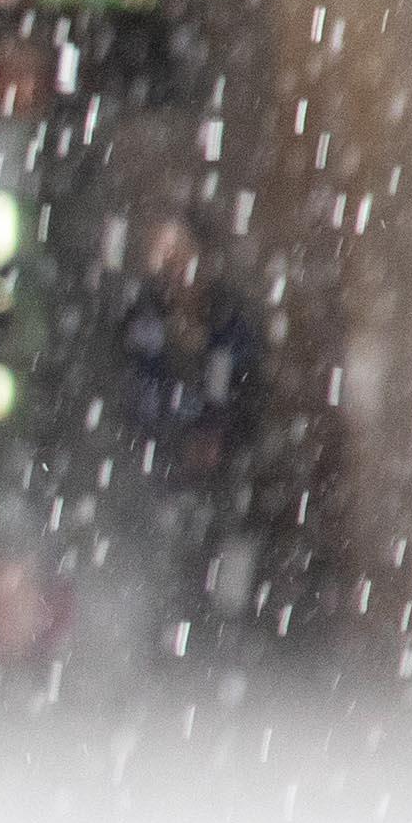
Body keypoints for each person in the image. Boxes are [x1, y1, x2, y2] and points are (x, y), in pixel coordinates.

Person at [105, 209, 273, 655]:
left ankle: (222, 645)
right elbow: (129, 392)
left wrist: (221, 436)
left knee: (223, 565)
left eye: (180, 253)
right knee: (160, 569)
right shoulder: (140, 320)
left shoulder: (231, 322)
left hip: (221, 480)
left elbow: (250, 393)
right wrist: (164, 438)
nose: (171, 266)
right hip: (155, 475)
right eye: (163, 253)